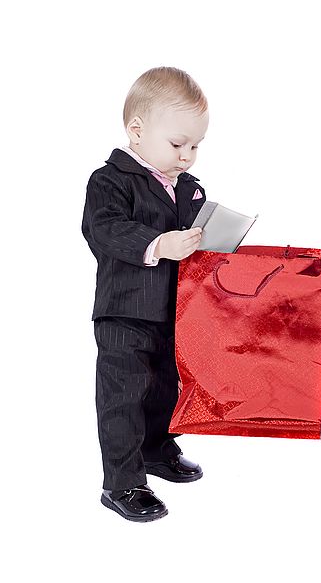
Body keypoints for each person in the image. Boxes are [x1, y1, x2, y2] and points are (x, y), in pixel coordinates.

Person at [81, 66, 210, 522]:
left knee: (165, 390)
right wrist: (158, 244)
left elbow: (198, 242)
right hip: (125, 313)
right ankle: (123, 482)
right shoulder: (110, 180)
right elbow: (104, 229)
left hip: (175, 312)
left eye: (195, 146)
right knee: (123, 396)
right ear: (137, 132)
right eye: (178, 145)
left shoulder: (191, 190)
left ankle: (156, 450)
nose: (188, 156)